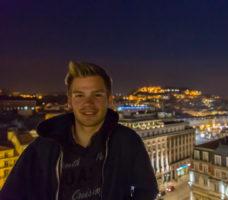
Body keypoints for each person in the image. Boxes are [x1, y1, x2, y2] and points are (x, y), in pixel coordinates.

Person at [0, 61, 158, 200]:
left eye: (97, 95)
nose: (88, 103)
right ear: (69, 101)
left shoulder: (127, 140)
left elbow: (147, 189)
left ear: (109, 100)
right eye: (80, 95)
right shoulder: (44, 146)